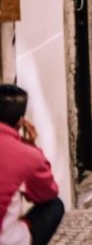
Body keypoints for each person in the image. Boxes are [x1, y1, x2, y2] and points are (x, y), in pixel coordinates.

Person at [0, 84, 64, 244]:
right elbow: (48, 192)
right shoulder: (27, 156)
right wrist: (30, 147)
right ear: (20, 122)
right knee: (54, 206)